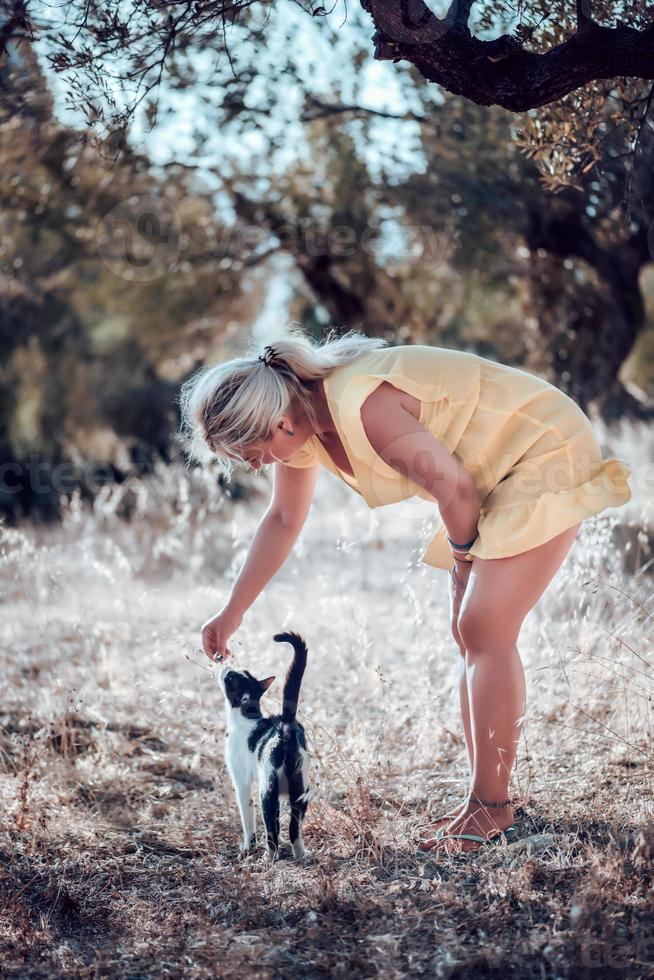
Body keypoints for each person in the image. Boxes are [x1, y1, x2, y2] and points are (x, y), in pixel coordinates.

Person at [180, 327, 632, 854]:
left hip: (541, 449)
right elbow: (282, 518)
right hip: (490, 474)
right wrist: (232, 611)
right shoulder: (301, 427)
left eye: (247, 453)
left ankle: (493, 810)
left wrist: (464, 557)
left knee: (482, 627)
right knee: (471, 634)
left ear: (277, 423)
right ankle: (481, 802)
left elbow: (455, 487)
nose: (251, 466)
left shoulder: (360, 405)